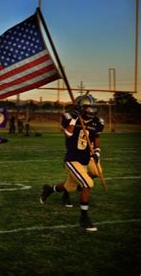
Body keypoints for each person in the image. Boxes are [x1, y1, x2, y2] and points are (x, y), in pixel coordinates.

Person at [40, 94, 104, 232]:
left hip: (87, 156)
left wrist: (97, 151)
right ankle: (84, 218)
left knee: (73, 185)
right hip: (73, 158)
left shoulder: (98, 121)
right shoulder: (69, 117)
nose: (92, 111)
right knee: (88, 183)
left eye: (93, 108)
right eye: (89, 108)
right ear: (80, 107)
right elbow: (68, 134)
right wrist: (75, 119)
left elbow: (96, 137)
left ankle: (49, 190)